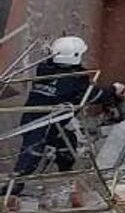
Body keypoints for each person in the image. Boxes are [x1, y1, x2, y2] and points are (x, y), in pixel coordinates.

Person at [10, 37, 111, 175]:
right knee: (32, 150)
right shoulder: (74, 81)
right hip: (45, 122)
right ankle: (17, 180)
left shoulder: (45, 70)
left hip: (35, 118)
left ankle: (65, 169)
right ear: (73, 57)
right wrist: (114, 92)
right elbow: (94, 95)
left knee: (67, 140)